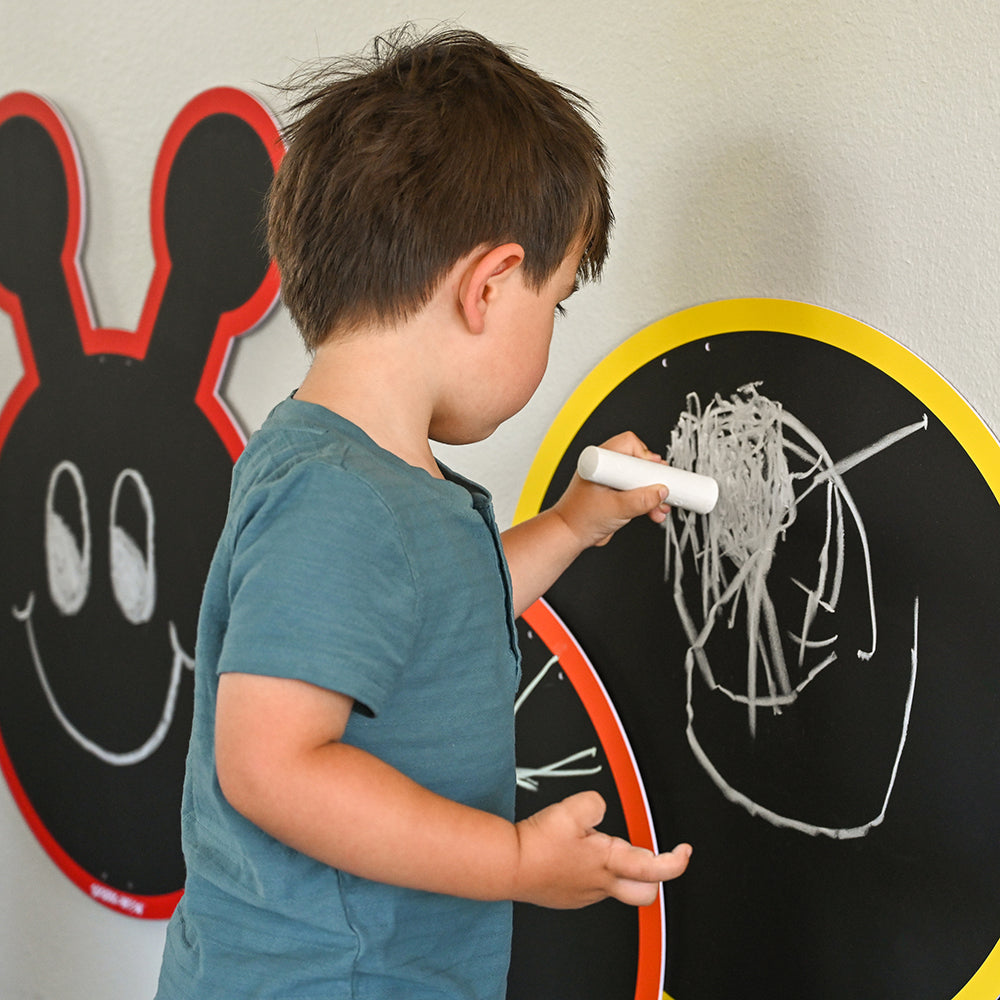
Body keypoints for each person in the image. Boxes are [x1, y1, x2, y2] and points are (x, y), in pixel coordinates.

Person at [155, 25, 691, 1000]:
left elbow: (438, 616)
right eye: (556, 303)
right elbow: (270, 763)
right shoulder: (337, 497)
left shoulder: (368, 479)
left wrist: (573, 522)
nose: (552, 329)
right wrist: (515, 861)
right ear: (488, 287)